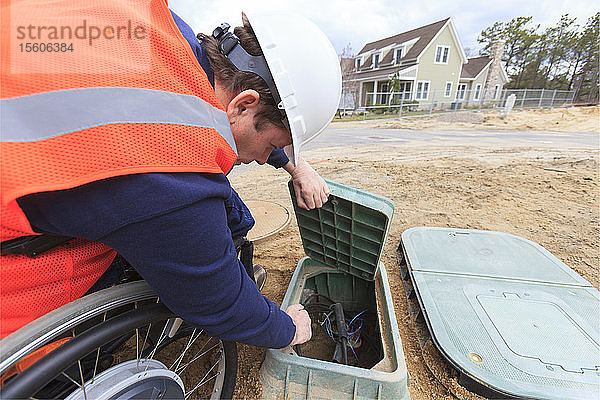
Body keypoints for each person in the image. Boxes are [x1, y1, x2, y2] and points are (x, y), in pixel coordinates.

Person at [0, 0, 342, 352]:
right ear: (244, 104)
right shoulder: (173, 174)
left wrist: (295, 165)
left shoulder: (161, 31)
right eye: (271, 144)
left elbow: (214, 121)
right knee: (82, 343)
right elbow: (220, 302)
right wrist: (288, 328)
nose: (260, 159)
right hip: (15, 257)